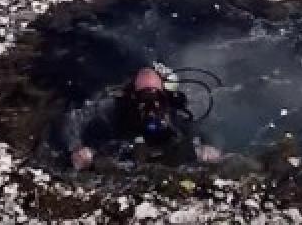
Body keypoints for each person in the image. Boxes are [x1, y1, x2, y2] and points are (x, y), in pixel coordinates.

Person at [63, 67, 222, 171]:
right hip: (123, 144)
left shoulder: (173, 110)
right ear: (133, 97)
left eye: (156, 97)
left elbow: (192, 131)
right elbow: (75, 118)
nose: (151, 105)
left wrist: (204, 149)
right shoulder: (116, 107)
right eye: (144, 98)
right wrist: (76, 148)